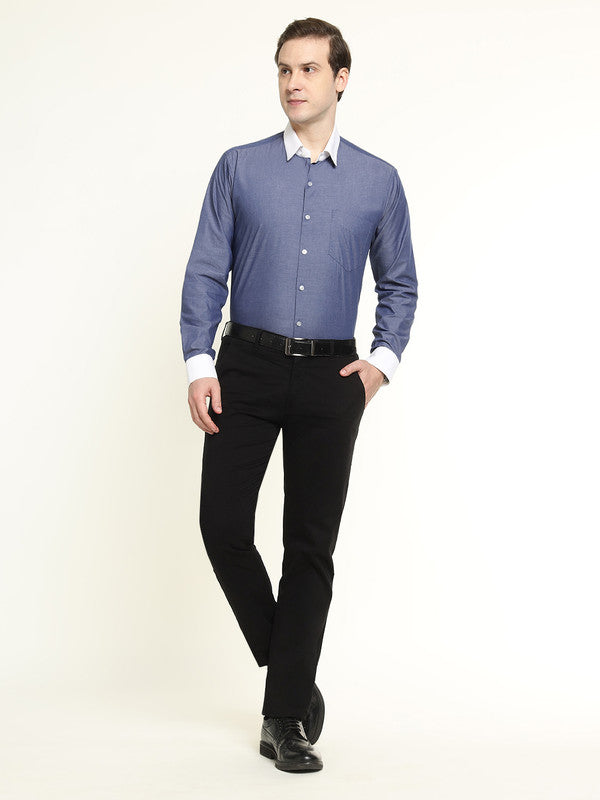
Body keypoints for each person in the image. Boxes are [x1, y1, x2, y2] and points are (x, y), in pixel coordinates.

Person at [179, 17, 418, 773]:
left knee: (309, 547)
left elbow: (401, 284)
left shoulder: (379, 181)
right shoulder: (239, 168)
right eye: (285, 69)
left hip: (330, 378)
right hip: (244, 369)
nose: (293, 82)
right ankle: (294, 672)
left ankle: (283, 718)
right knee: (222, 523)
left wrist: (380, 363)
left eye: (309, 69)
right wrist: (198, 363)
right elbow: (205, 270)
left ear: (340, 79)